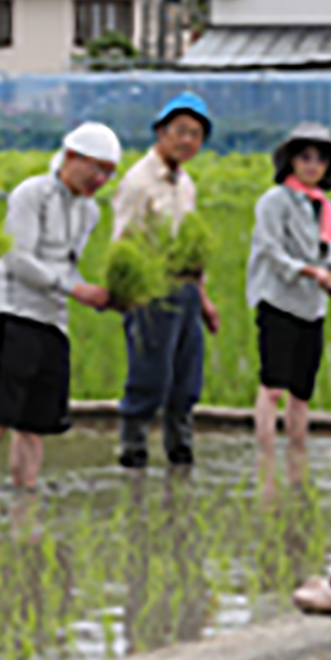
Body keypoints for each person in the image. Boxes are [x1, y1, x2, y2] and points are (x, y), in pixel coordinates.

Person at [0, 122, 120, 502]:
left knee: (36, 425)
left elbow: (67, 264)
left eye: (108, 174)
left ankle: (24, 500)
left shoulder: (90, 211)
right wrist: (76, 289)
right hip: (11, 313)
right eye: (95, 169)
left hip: (53, 321)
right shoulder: (32, 193)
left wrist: (101, 296)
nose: (100, 179)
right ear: (71, 157)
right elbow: (17, 259)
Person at [110, 92, 220, 468]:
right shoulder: (139, 181)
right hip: (151, 289)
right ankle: (133, 449)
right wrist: (132, 293)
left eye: (196, 134)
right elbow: (123, 243)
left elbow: (191, 247)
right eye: (180, 132)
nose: (188, 141)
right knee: (149, 372)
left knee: (187, 373)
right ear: (161, 132)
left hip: (185, 288)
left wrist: (203, 299)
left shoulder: (185, 182)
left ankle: (180, 448)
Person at [247, 122, 331, 451]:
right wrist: (311, 272)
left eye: (320, 159)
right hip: (278, 300)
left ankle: (297, 457)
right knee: (273, 386)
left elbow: (328, 251)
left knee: (302, 390)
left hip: (312, 306)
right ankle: (265, 459)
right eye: (305, 156)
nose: (312, 164)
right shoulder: (274, 201)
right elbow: (271, 250)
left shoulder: (322, 206)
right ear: (292, 161)